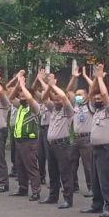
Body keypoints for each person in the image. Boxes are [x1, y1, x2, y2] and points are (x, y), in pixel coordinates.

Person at [80, 63, 109, 217]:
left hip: (106, 149)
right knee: (95, 178)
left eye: (100, 98)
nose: (97, 99)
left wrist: (100, 77)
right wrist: (96, 79)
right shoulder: (95, 110)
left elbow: (104, 93)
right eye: (96, 98)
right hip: (95, 148)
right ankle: (97, 204)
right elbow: (92, 94)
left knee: (106, 179)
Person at [36, 72, 75, 208]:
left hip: (62, 145)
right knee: (52, 172)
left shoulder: (68, 110)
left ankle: (68, 199)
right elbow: (44, 98)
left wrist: (53, 86)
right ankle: (53, 196)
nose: (57, 101)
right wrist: (49, 87)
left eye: (59, 100)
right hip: (51, 145)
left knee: (65, 172)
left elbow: (63, 96)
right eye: (55, 100)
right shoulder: (53, 109)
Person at [9, 70, 42, 200]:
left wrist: (23, 86)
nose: (22, 98)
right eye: (21, 96)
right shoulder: (21, 106)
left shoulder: (34, 107)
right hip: (19, 141)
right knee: (20, 166)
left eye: (24, 96)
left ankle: (36, 191)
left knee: (31, 167)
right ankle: (22, 188)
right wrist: (18, 85)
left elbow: (30, 99)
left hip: (29, 142)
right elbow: (11, 98)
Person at [67, 66, 94, 197]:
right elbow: (68, 90)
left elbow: (93, 87)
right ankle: (74, 186)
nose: (77, 96)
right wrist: (74, 77)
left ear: (87, 95)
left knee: (88, 165)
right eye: (77, 95)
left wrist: (86, 76)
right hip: (76, 138)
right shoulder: (76, 104)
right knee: (71, 162)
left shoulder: (91, 105)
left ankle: (92, 188)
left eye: (80, 94)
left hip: (87, 138)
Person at [32, 71, 50, 186]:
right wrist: (37, 79)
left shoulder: (53, 96)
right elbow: (33, 90)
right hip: (42, 128)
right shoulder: (43, 98)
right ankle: (41, 177)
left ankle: (53, 179)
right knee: (40, 155)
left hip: (50, 128)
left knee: (50, 155)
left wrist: (42, 81)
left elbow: (48, 90)